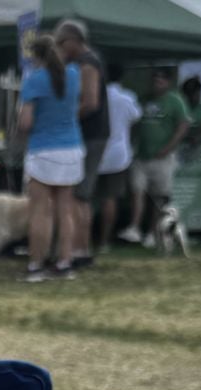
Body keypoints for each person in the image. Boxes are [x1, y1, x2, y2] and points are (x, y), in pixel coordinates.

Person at [18, 34, 83, 283]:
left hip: (43, 150)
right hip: (72, 148)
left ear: (35, 56)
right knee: (66, 211)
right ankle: (65, 263)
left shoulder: (34, 80)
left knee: (40, 212)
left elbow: (26, 122)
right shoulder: (74, 74)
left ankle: (36, 265)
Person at [53, 19, 106, 271]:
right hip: (94, 135)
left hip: (89, 135)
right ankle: (81, 249)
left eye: (62, 44)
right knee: (82, 197)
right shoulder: (89, 61)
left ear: (74, 40)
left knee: (76, 195)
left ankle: (75, 250)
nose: (61, 50)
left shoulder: (87, 64)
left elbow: (90, 102)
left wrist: (66, 117)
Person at [120, 67, 187, 248]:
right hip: (141, 155)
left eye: (161, 80)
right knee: (137, 191)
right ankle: (134, 228)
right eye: (155, 79)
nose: (157, 83)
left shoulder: (175, 101)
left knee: (159, 197)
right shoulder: (144, 99)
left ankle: (152, 232)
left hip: (163, 158)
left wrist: (169, 148)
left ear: (168, 82)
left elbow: (183, 125)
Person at [93, 59, 139, 251]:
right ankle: (104, 241)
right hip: (118, 156)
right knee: (109, 199)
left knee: (85, 198)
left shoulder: (94, 95)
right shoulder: (127, 97)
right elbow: (136, 118)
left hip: (95, 152)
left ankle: (81, 240)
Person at [180, 76, 201, 148]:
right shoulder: (179, 107)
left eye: (200, 93)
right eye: (196, 94)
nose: (199, 96)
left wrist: (199, 138)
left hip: (195, 147)